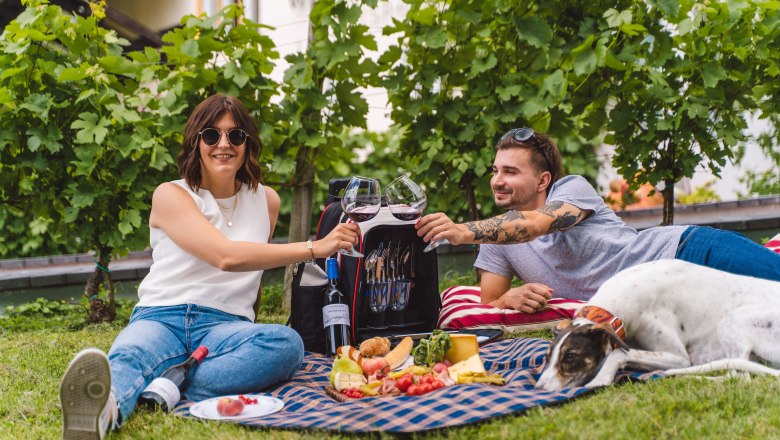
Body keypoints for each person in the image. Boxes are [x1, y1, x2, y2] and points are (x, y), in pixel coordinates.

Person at [59, 94, 360, 439]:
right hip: (162, 316)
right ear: (196, 142)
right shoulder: (171, 194)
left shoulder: (267, 200)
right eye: (212, 135)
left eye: (235, 135)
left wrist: (246, 327)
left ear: (247, 144)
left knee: (286, 344)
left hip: (225, 326)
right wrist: (314, 248)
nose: (224, 144)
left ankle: (167, 382)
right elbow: (225, 256)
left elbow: (253, 272)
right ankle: (103, 413)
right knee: (132, 353)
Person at [416, 127, 780, 319]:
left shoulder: (571, 189)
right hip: (659, 297)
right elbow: (488, 302)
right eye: (495, 170)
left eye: (510, 172)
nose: (497, 180)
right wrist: (509, 298)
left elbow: (535, 225)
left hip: (688, 252)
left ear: (543, 180)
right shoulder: (497, 238)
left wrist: (462, 231)